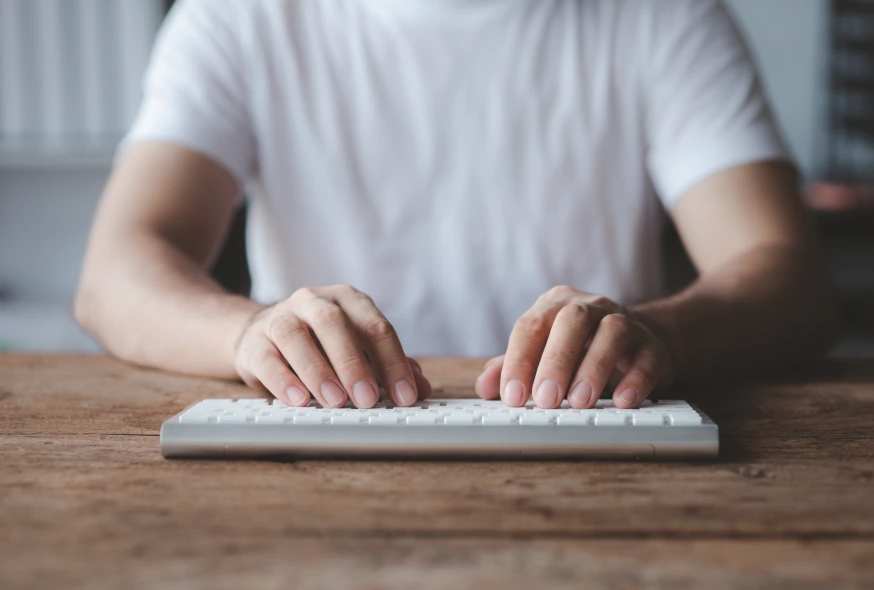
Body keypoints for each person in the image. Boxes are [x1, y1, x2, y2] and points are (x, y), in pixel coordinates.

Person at [75, 0, 838, 412]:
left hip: (592, 439)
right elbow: (115, 273)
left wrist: (658, 331)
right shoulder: (235, 18)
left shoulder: (666, 17)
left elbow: (789, 279)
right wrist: (246, 333)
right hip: (324, 447)